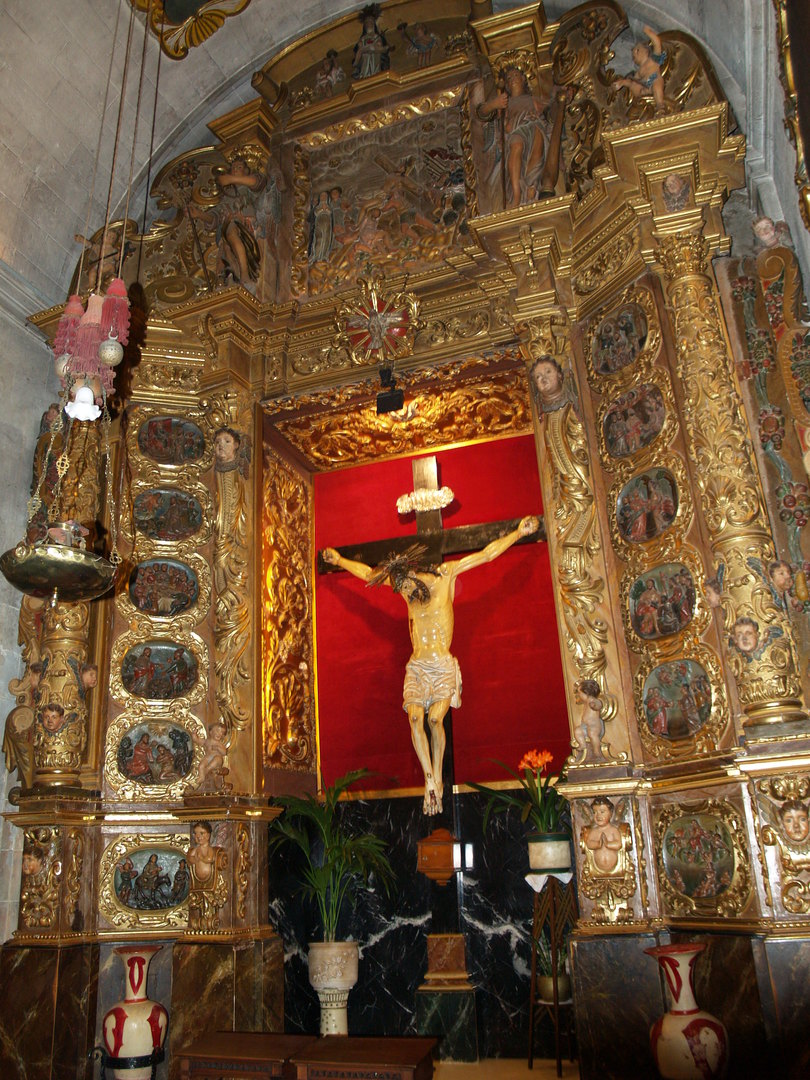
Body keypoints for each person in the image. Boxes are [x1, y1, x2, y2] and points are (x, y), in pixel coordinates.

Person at [323, 515, 539, 815]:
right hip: (418, 667)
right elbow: (369, 574)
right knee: (414, 718)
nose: (407, 593)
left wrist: (517, 533)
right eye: (403, 587)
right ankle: (429, 779)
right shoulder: (405, 586)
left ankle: (437, 775)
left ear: (418, 571)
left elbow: (486, 555)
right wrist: (339, 560)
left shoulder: (446, 575)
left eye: (408, 586)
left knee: (435, 720)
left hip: (442, 665)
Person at [479, 66, 552, 208]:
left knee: (536, 156)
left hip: (534, 128)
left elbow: (549, 111)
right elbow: (481, 113)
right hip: (516, 133)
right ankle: (517, 194)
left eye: (516, 76)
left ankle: (531, 187)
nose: (513, 79)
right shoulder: (505, 103)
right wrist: (494, 104)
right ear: (506, 84)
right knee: (516, 143)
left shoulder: (532, 100)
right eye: (509, 78)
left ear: (523, 79)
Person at [614, 25, 667, 111]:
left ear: (646, 51)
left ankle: (660, 104)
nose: (634, 54)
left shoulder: (653, 60)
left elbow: (657, 44)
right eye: (633, 55)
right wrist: (622, 82)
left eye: (637, 50)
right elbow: (631, 82)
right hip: (644, 88)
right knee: (634, 85)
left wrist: (648, 32)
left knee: (656, 82)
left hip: (652, 81)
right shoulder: (639, 72)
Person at [582, 796, 623, 873]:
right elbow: (589, 844)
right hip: (596, 870)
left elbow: (618, 844)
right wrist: (598, 844)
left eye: (602, 812)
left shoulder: (613, 830)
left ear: (610, 814)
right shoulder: (594, 831)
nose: (598, 815)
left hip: (616, 870)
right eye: (595, 812)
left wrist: (608, 844)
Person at [574, 679, 605, 760]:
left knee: (592, 734)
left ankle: (597, 751)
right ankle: (582, 744)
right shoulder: (586, 703)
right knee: (577, 731)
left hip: (595, 725)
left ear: (586, 693)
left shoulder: (594, 701)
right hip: (585, 725)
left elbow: (599, 705)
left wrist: (595, 705)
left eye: (580, 693)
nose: (579, 695)